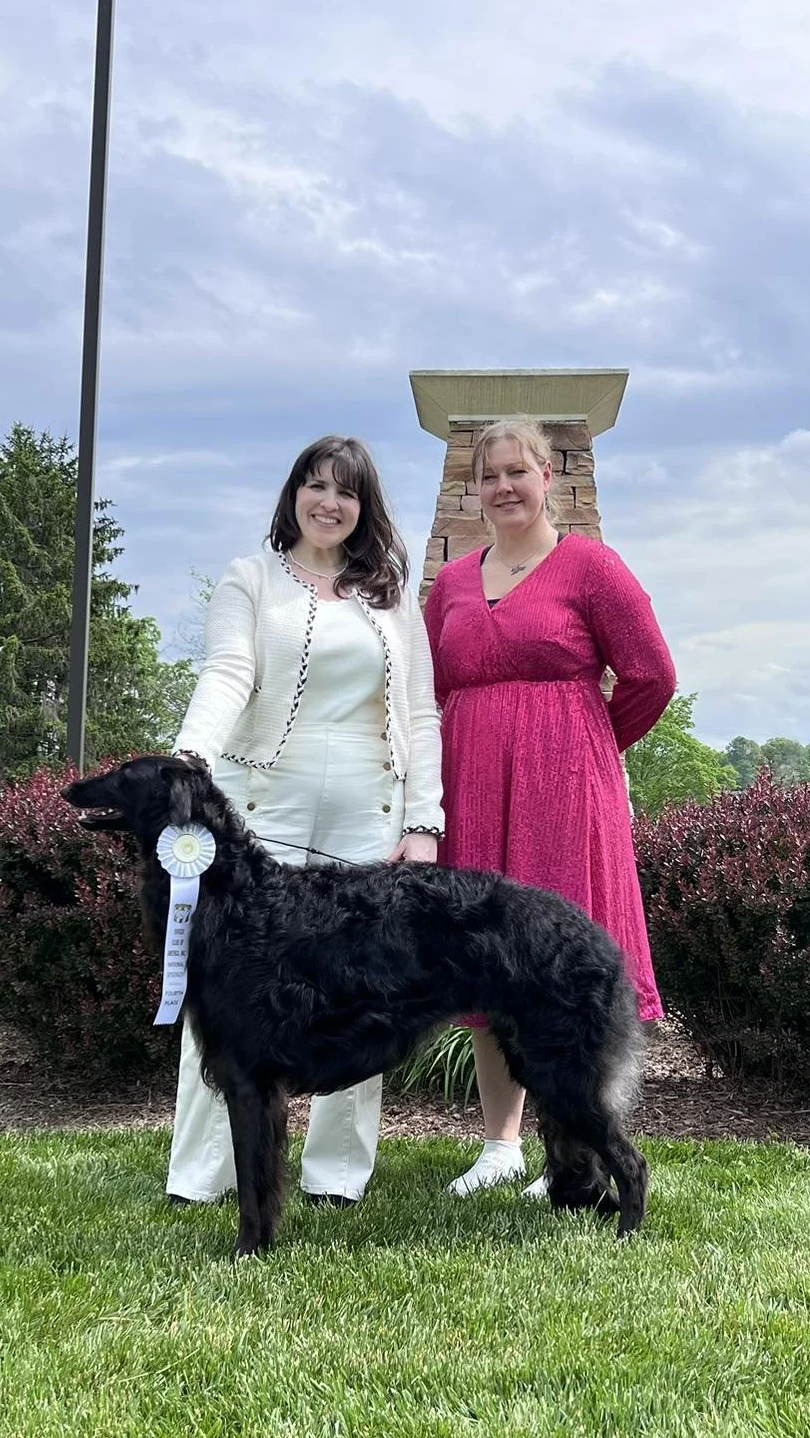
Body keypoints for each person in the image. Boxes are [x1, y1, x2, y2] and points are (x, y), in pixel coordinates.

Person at [166, 435, 444, 1205]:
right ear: (293, 494)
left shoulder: (390, 595)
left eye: (347, 492)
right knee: (230, 992)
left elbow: (421, 712)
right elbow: (228, 672)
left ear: (364, 508)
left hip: (368, 808)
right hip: (262, 805)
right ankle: (203, 1173)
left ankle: (336, 1174)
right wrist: (189, 758)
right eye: (316, 486)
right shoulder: (249, 578)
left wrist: (423, 821)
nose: (330, 502)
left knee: (357, 989)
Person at [423, 418, 677, 1197]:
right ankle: (499, 1147)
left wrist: (590, 745)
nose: (503, 486)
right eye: (489, 474)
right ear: (475, 488)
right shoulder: (452, 584)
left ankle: (577, 1150)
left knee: (563, 970)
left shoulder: (591, 567)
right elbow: (428, 688)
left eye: (517, 471)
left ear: (547, 478)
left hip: (566, 793)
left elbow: (652, 675)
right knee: (490, 964)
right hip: (473, 792)